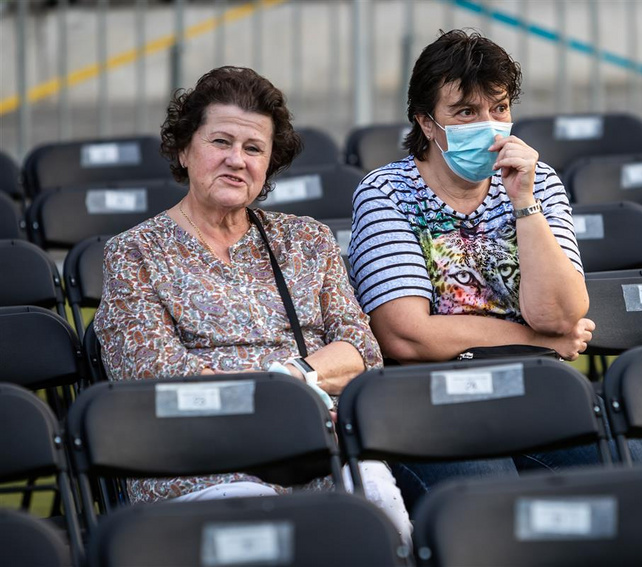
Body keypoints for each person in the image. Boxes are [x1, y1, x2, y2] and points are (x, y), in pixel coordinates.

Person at [94, 66, 410, 540]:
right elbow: (155, 378)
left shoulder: (307, 239)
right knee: (257, 516)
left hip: (309, 445)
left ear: (269, 164)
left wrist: (291, 377)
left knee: (379, 505)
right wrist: (275, 397)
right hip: (200, 457)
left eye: (253, 148)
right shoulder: (134, 252)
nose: (237, 160)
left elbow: (360, 350)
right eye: (221, 142)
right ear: (184, 149)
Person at [348, 30, 642, 511]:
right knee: (496, 508)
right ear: (427, 123)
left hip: (535, 395)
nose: (489, 126)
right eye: (466, 112)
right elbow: (406, 337)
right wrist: (537, 344)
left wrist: (524, 202)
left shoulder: (538, 181)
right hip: (434, 405)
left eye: (499, 109)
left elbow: (561, 314)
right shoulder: (387, 192)